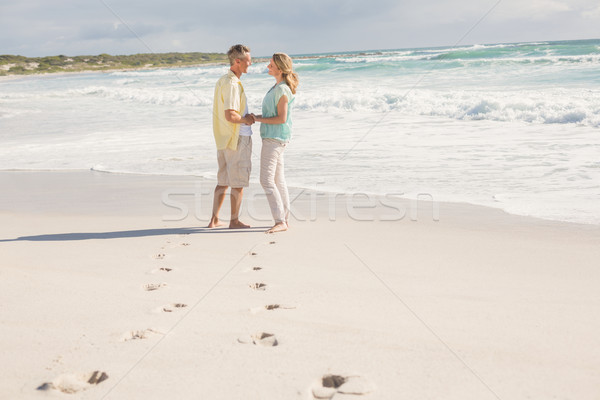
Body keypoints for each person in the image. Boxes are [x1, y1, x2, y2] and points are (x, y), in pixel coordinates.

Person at [208, 44, 255, 229]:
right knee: (238, 182)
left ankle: (214, 219)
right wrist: (247, 120)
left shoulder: (222, 80)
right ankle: (234, 221)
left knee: (223, 181)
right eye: (248, 61)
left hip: (223, 138)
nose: (250, 64)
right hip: (237, 139)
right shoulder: (232, 84)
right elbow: (231, 116)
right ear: (238, 61)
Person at [253, 53, 299, 233]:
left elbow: (281, 118)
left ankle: (280, 221)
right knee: (278, 180)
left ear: (279, 69)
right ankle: (284, 219)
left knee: (265, 180)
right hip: (275, 138)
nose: (267, 67)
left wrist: (257, 119)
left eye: (270, 65)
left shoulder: (282, 90)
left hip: (275, 139)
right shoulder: (278, 87)